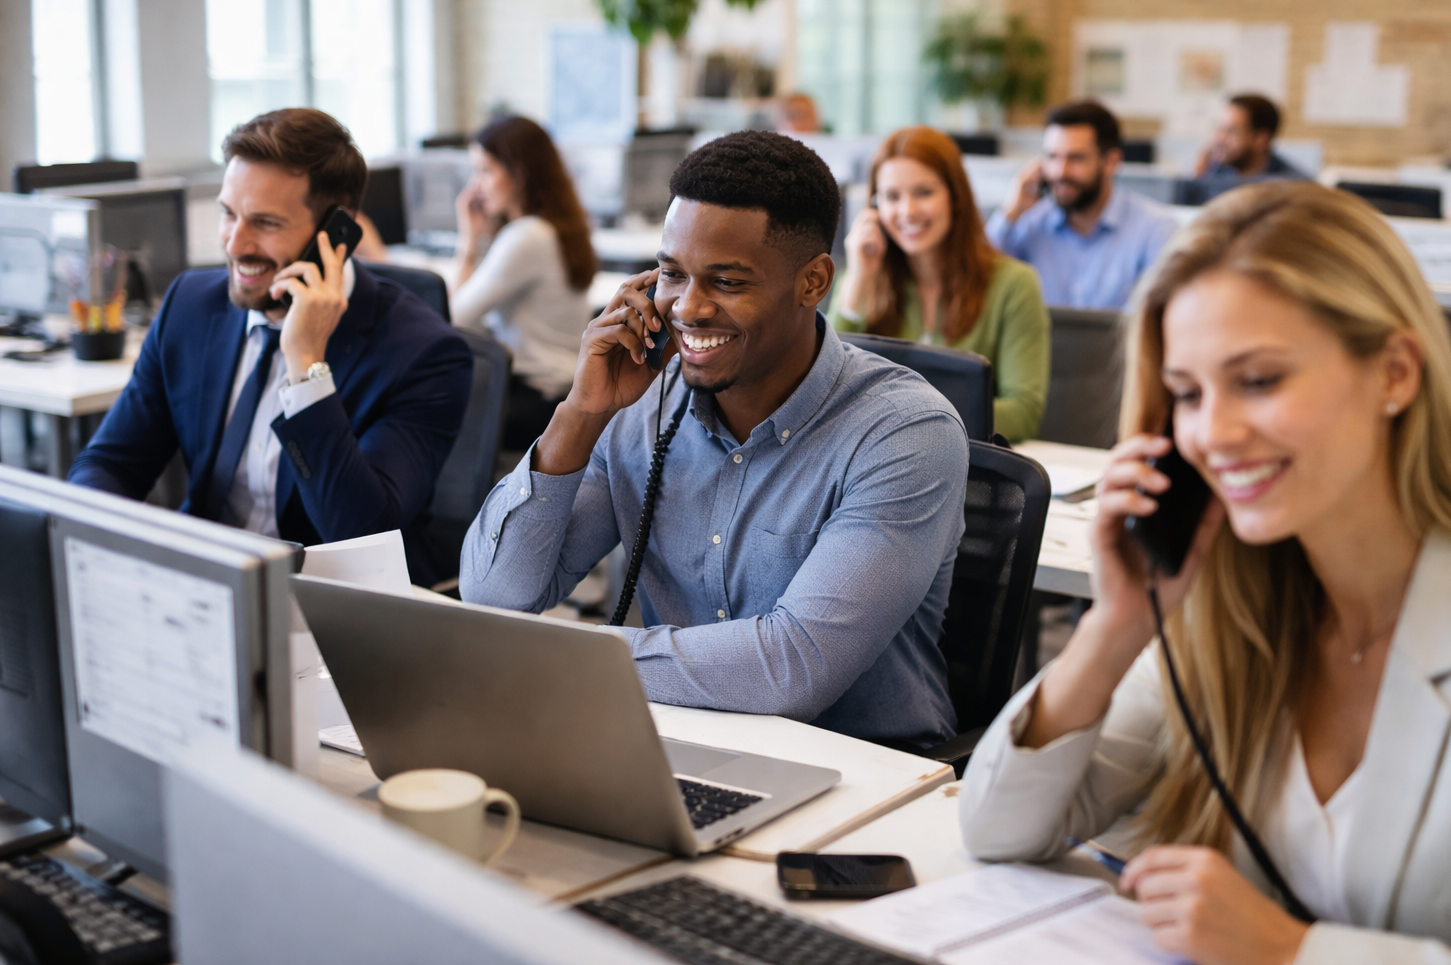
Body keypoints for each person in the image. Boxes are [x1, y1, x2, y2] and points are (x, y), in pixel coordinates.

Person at [959, 181, 1451, 964]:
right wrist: (1116, 626)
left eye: (1259, 380)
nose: (1213, 434)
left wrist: (1292, 951)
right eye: (1188, 395)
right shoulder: (1224, 606)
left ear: (1396, 372)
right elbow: (998, 830)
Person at [459, 130, 970, 749]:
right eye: (672, 275)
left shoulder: (904, 432)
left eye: (727, 282)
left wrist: (568, 653)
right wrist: (581, 411)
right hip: (680, 742)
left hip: (865, 775)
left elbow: (792, 667)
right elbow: (493, 598)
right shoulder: (640, 401)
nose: (688, 308)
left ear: (813, 283)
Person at [70, 108, 474, 586]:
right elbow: (112, 464)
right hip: (208, 587)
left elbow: (363, 535)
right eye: (227, 213)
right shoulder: (190, 306)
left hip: (334, 610)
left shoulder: (424, 353)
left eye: (264, 222)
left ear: (334, 233)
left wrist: (305, 367)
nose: (235, 244)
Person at [830, 126, 1050, 443]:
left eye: (924, 192)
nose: (907, 211)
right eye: (892, 196)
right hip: (880, 465)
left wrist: (908, 419)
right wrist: (858, 281)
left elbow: (1023, 412)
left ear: (955, 196)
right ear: (874, 208)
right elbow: (828, 391)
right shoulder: (866, 279)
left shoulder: (1014, 284)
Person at [448, 116, 597, 450]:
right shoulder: (553, 227)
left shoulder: (526, 236)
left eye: (485, 171)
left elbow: (453, 318)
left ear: (520, 173)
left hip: (534, 399)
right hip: (559, 392)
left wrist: (467, 241)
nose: (475, 186)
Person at [987, 100, 1178, 310]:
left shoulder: (1154, 231)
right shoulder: (1030, 223)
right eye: (1052, 157)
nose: (1060, 172)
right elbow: (978, 278)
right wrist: (1010, 213)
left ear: (1111, 161)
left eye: (1075, 158)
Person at [1195, 94, 1308, 180]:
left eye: (1231, 131)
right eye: (1220, 129)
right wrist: (1196, 181)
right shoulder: (1214, 170)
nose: (1219, 139)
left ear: (1261, 140)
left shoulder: (1293, 186)